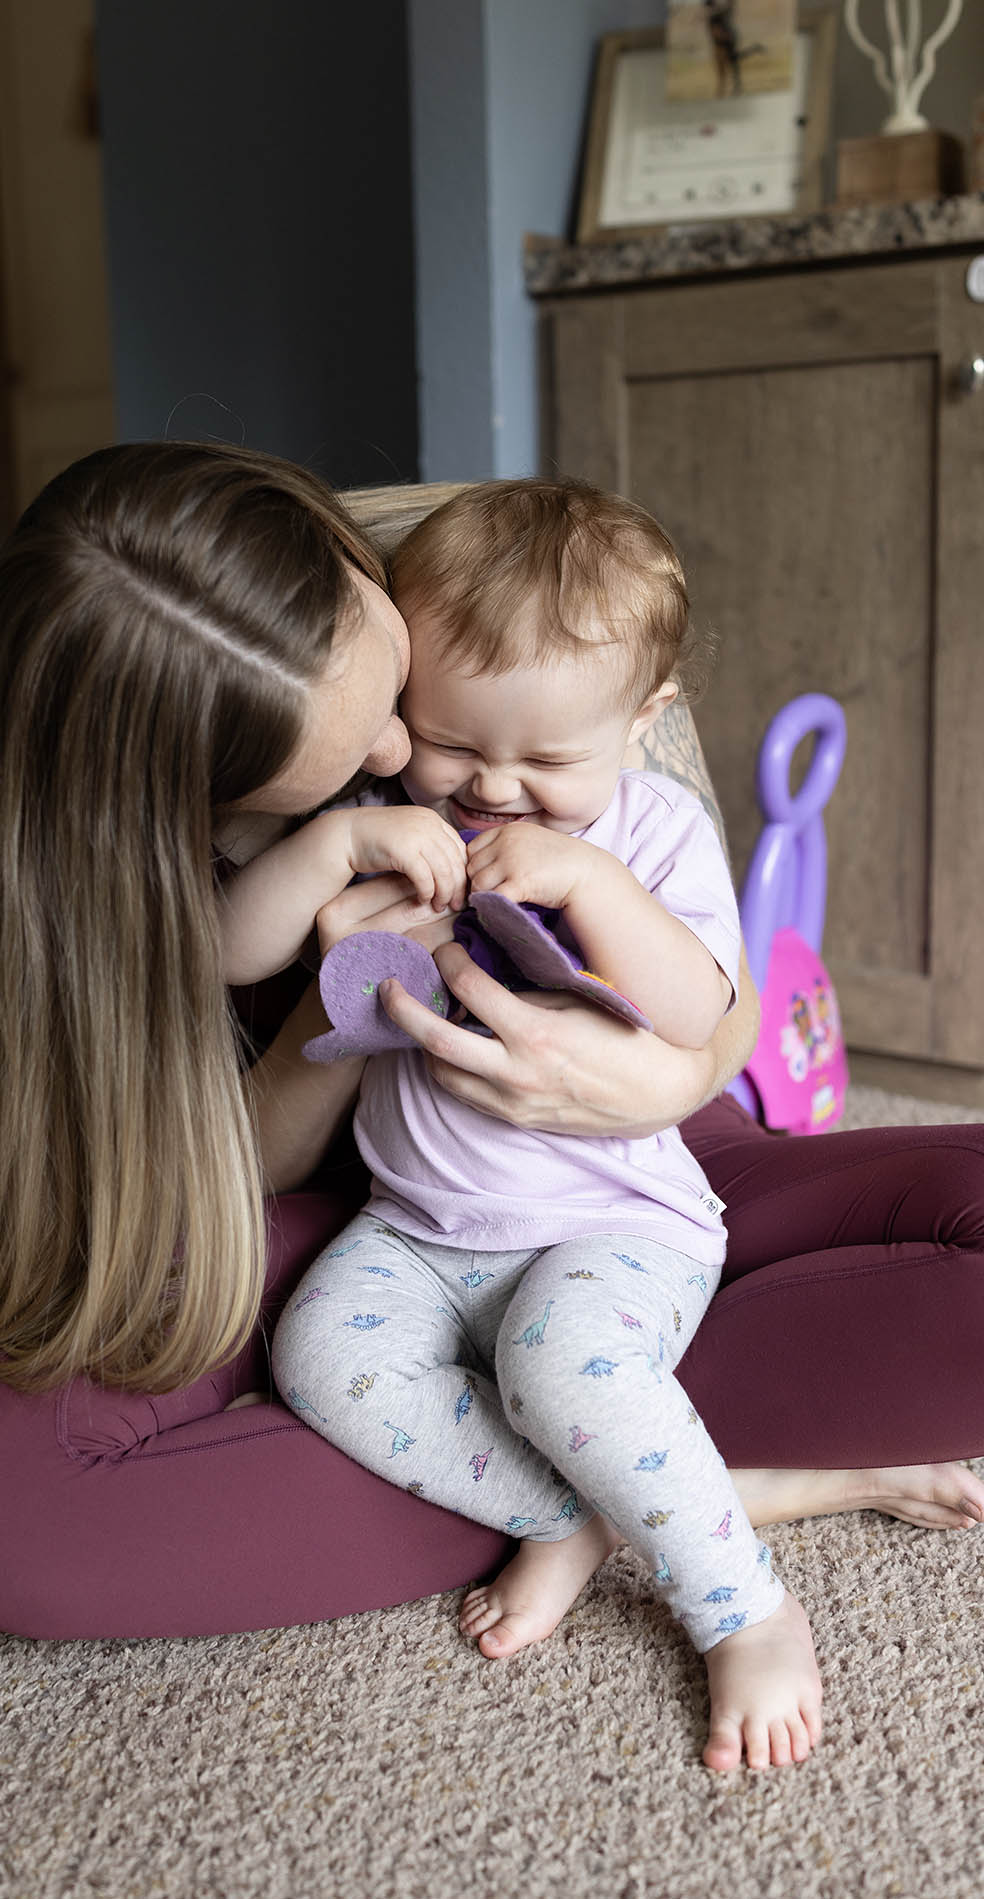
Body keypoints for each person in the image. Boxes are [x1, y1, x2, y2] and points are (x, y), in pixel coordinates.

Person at [0, 443, 984, 1778]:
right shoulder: (261, 818)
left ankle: (670, 1512)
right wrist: (337, 953)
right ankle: (667, 1499)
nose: (430, 770)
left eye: (392, 696)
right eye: (382, 749)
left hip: (622, 1186)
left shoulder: (511, 599)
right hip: (390, 1208)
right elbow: (229, 1019)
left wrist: (660, 1075)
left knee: (568, 1353)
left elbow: (708, 993)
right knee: (24, 1480)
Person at [235, 478, 814, 1767]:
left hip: (613, 1224)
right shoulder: (385, 823)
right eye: (451, 742)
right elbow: (232, 950)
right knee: (322, 1357)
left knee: (560, 1366)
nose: (494, 787)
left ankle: (743, 1609)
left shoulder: (653, 836)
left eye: (549, 762)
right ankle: (591, 1508)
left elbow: (699, 1007)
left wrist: (590, 882)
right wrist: (331, 859)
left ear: (644, 721)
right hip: (420, 1227)